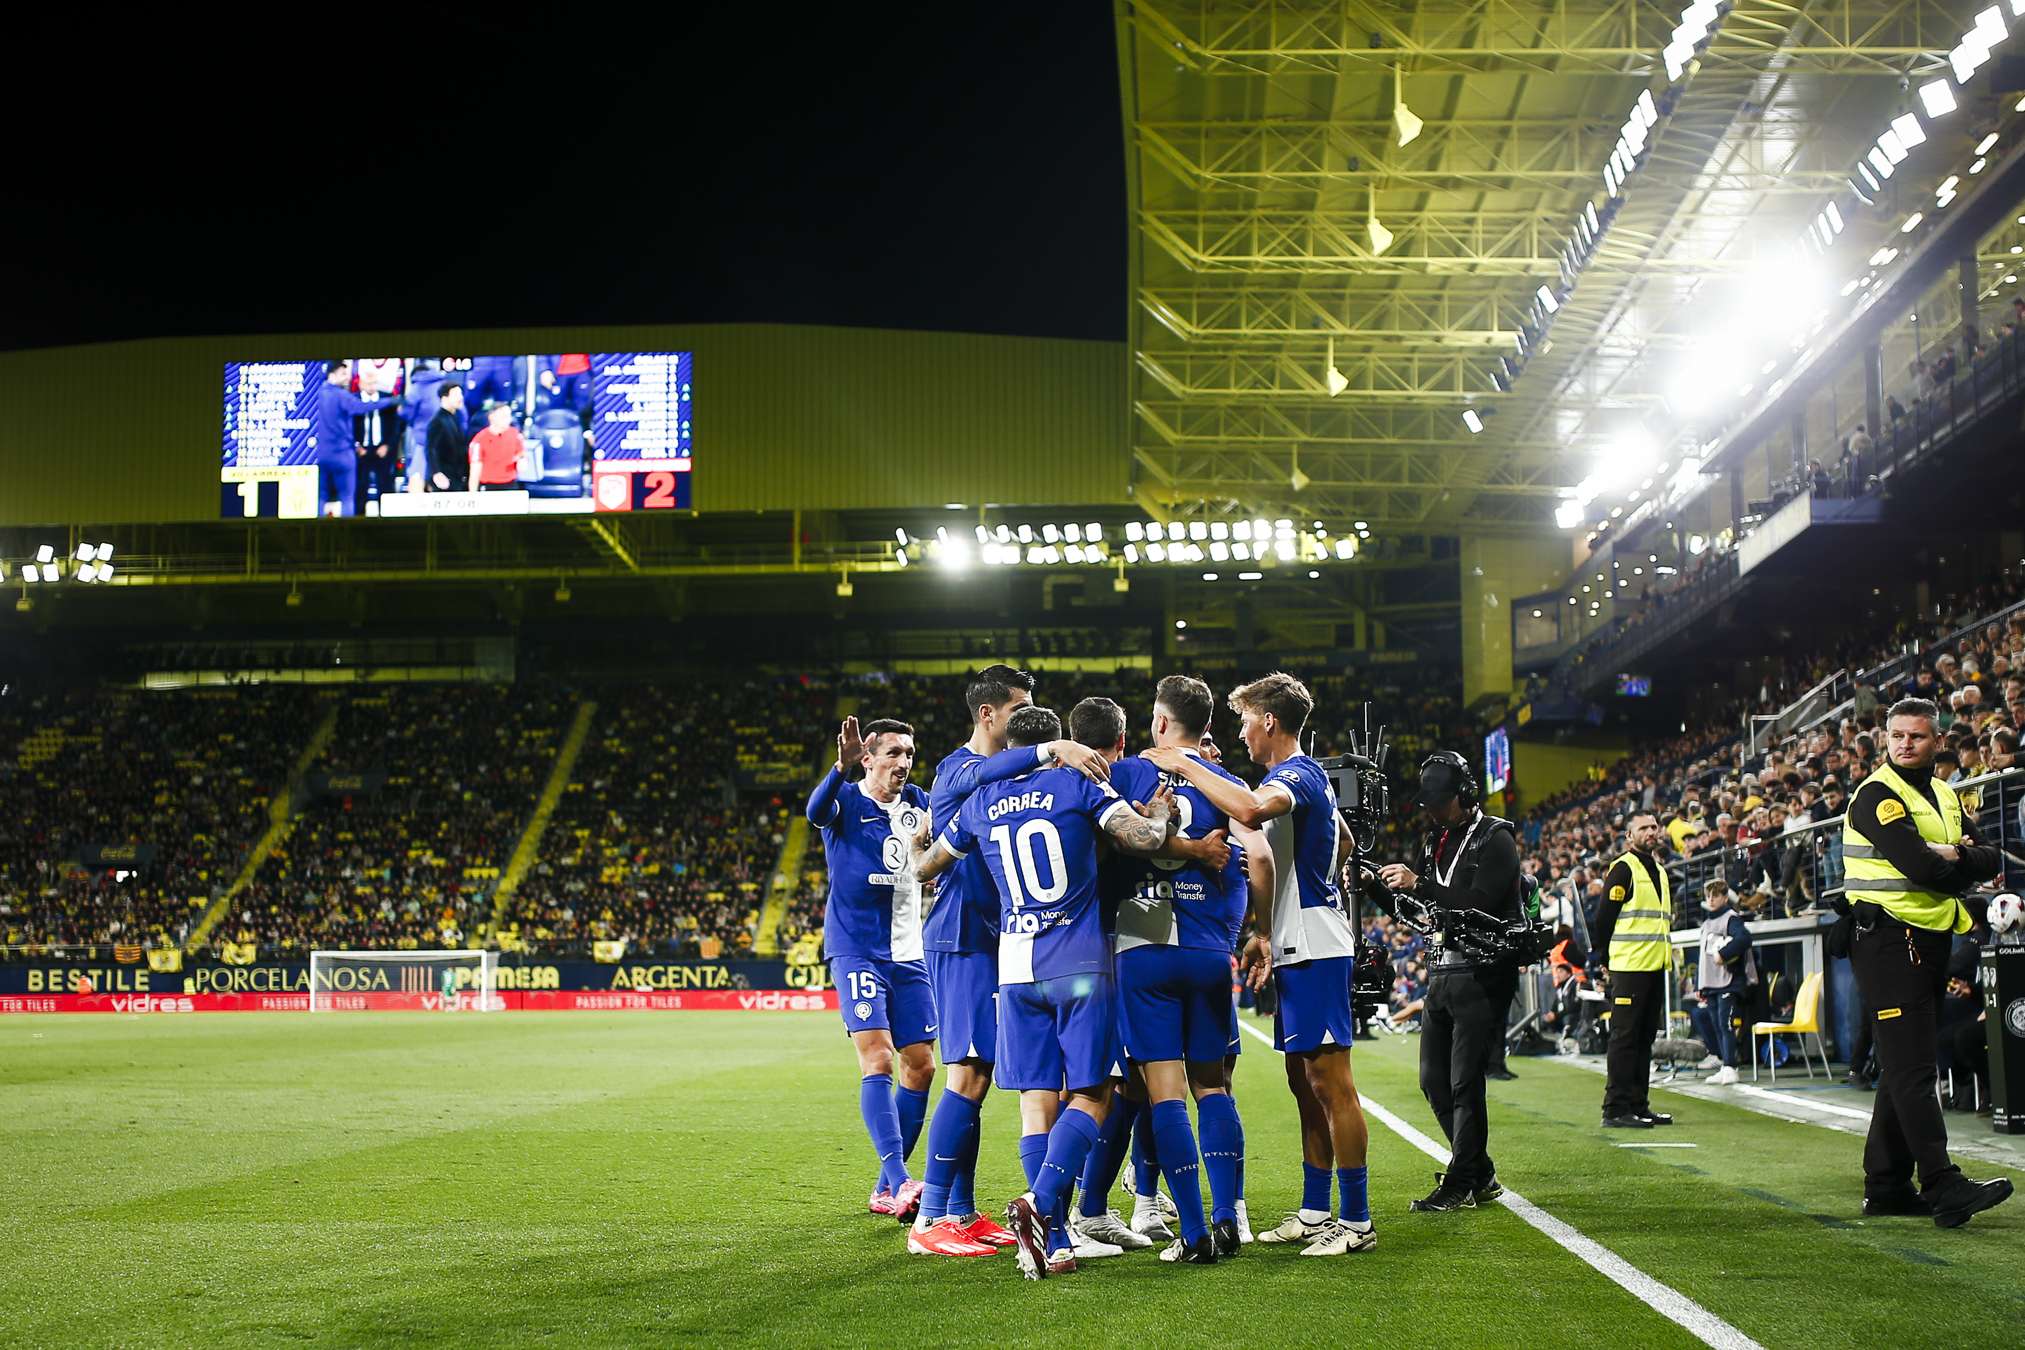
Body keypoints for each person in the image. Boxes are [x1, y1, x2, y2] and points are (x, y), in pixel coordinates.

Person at [915, 704, 1173, 1280]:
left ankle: (1053, 1242)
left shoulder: (980, 802)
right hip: (1078, 964)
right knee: (1095, 1093)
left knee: (1036, 1102)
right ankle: (1042, 1200)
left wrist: (912, 846)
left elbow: (927, 866)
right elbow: (1144, 838)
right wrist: (1161, 814)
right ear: (1058, 746)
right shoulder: (1076, 785)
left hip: (1014, 969)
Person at [1145, 671, 1374, 1258]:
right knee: (1304, 1083)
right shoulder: (1299, 779)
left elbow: (1248, 808)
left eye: (1246, 720)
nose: (1242, 732)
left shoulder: (1297, 774)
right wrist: (1277, 919)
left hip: (1316, 944)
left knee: (1332, 1084)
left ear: (1269, 721)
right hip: (1298, 940)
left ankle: (1357, 1220)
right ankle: (1315, 1210)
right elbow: (1344, 841)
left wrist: (1184, 762)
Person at [907, 665, 1109, 1258]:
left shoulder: (1013, 777)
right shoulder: (960, 768)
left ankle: (962, 1211)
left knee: (988, 1075)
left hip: (1003, 942)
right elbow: (983, 782)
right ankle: (931, 1217)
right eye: (1019, 707)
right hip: (962, 937)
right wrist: (1052, 747)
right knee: (968, 1074)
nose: (1026, 717)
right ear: (988, 714)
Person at [1839, 697, 2013, 1227]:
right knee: (1914, 1068)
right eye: (1897, 735)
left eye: (1916, 736)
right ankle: (1941, 1183)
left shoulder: (1943, 794)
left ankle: (1887, 1186)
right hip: (1890, 943)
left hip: (1928, 940)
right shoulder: (1876, 795)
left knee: (1902, 1066)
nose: (1905, 744)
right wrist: (1957, 859)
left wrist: (1954, 855)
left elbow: (1992, 856)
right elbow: (1920, 867)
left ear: (1938, 741)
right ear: (1886, 739)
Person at [1100, 678, 1253, 1262]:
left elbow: (1107, 842)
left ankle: (1192, 1234)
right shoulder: (1229, 785)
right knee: (1212, 1085)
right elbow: (1261, 857)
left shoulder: (1126, 774)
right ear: (1206, 725)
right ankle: (1228, 1217)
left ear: (1161, 722)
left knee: (1163, 1093)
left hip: (1145, 940)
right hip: (1209, 946)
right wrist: (1257, 931)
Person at [1375, 750, 1521, 1212]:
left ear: (1466, 794)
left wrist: (1419, 883)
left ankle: (1460, 1183)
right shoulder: (1435, 840)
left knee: (1464, 1082)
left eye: (1440, 802)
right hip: (1442, 970)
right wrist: (1375, 885)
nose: (1433, 811)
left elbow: (1479, 903)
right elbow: (1421, 910)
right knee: (1433, 1080)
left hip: (1483, 972)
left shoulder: (1496, 838)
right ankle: (1480, 1172)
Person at [806, 716, 937, 1222]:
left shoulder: (919, 804)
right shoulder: (846, 800)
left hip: (909, 951)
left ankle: (886, 1188)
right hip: (856, 948)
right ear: (868, 758)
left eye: (910, 753)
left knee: (921, 1065)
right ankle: (901, 1180)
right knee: (878, 1058)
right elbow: (815, 811)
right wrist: (837, 770)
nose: (904, 762)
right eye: (894, 753)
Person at [1592, 813, 1675, 1128]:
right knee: (1625, 1039)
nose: (1651, 831)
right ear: (1629, 835)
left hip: (1654, 966)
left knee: (1644, 1038)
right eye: (1643, 828)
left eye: (1654, 826)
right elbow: (1604, 918)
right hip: (1629, 967)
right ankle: (1615, 1108)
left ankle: (1639, 1104)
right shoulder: (1624, 868)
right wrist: (1603, 959)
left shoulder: (1660, 871)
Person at [313, 360, 402, 517]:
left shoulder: (318, 394)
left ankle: (316, 529)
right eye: (343, 374)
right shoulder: (342, 395)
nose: (347, 377)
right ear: (332, 375)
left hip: (322, 454)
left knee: (321, 496)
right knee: (348, 497)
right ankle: (349, 529)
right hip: (343, 453)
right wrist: (389, 401)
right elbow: (361, 407)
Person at [1691, 879, 1753, 1086]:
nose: (1711, 899)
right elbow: (1702, 957)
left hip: (1728, 981)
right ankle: (1724, 1063)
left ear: (1725, 898)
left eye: (1716, 895)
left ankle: (1731, 1067)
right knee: (1717, 1025)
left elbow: (1744, 939)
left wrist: (1723, 954)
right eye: (1708, 895)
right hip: (1711, 983)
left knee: (1725, 1025)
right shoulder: (1706, 924)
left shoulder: (1731, 918)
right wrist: (1699, 984)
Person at [468, 401, 526, 491]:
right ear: (491, 417)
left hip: (511, 485)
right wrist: (473, 494)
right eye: (503, 416)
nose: (508, 420)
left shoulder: (515, 434)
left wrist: (521, 461)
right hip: (488, 486)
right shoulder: (479, 440)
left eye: (509, 416)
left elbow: (521, 455)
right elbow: (475, 471)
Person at [425, 382, 468, 492]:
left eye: (461, 394)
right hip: (445, 478)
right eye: (456, 395)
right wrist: (436, 473)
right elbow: (430, 449)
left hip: (457, 475)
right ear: (444, 398)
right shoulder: (437, 421)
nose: (460, 398)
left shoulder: (456, 417)